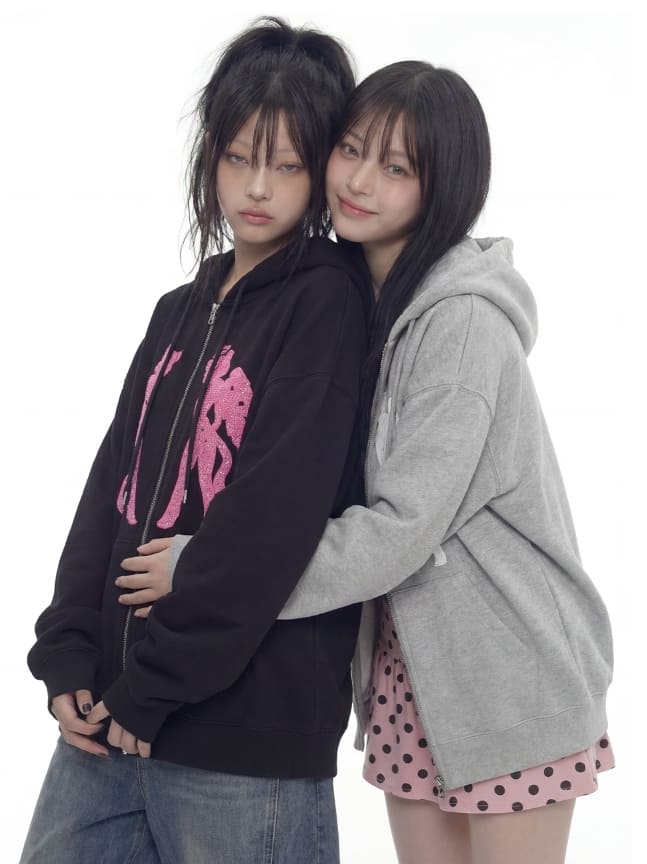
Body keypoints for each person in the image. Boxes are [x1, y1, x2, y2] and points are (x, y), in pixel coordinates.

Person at [21, 18, 369, 864]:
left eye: (287, 165)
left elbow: (274, 522)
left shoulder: (326, 304)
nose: (257, 187)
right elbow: (112, 486)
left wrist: (154, 686)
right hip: (105, 727)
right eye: (238, 158)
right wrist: (67, 653)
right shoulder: (179, 308)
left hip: (241, 749)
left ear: (322, 170)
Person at [275, 61, 614, 863]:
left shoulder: (460, 325)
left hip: (509, 676)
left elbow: (398, 529)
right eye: (351, 149)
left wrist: (230, 582)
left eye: (396, 168)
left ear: (442, 188)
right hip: (410, 676)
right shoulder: (361, 303)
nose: (359, 181)